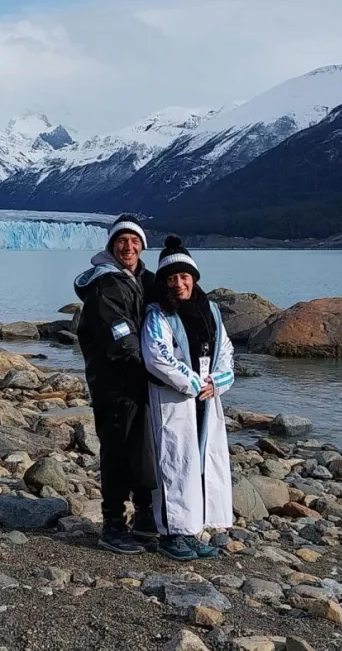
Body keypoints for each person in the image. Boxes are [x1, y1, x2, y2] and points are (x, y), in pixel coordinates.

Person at [141, 235, 234, 561]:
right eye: (171, 278)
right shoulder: (158, 315)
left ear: (193, 278)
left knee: (200, 463)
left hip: (206, 398)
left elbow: (225, 352)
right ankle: (171, 533)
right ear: (164, 282)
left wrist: (217, 382)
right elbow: (158, 357)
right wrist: (194, 383)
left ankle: (193, 528)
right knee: (175, 463)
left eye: (184, 276)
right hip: (173, 400)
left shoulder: (211, 311)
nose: (179, 284)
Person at [74, 213, 158, 554]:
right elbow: (120, 338)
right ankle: (112, 524)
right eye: (122, 240)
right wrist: (158, 370)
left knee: (143, 445)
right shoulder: (105, 285)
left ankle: (146, 516)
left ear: (142, 246)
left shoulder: (145, 280)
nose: (129, 246)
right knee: (117, 448)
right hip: (113, 381)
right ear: (111, 245)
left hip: (139, 380)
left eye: (135, 241)